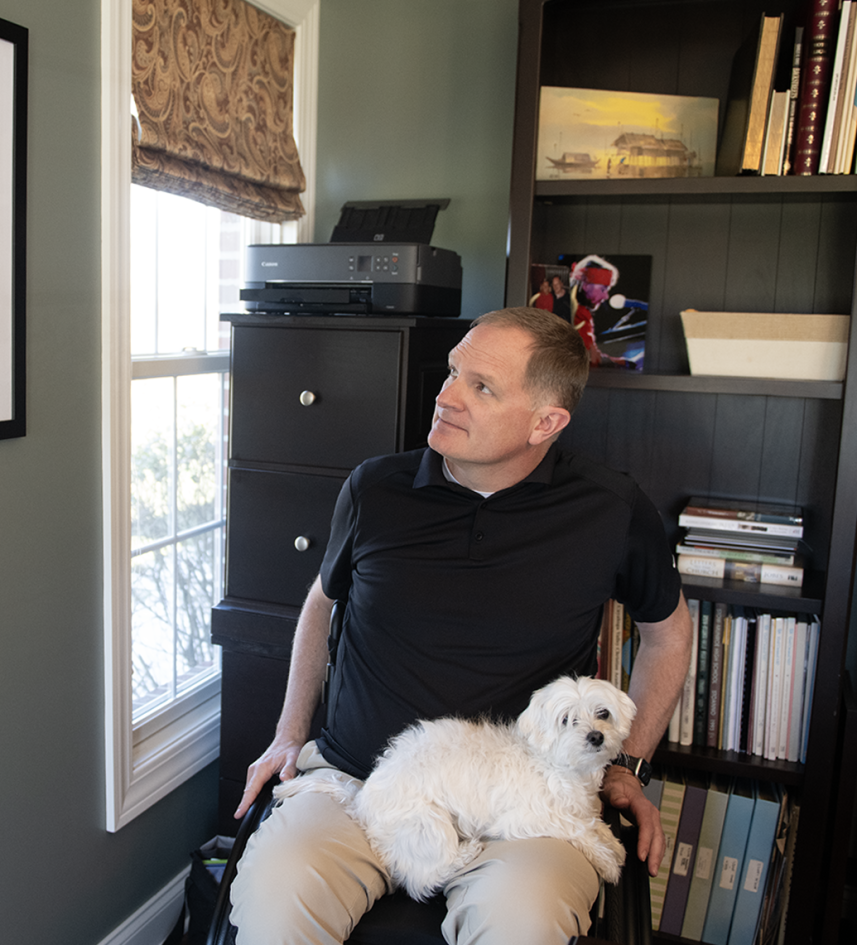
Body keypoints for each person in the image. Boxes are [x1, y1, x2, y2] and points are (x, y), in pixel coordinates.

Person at [228, 306, 694, 945]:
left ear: (545, 422)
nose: (446, 396)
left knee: (523, 923)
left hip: (531, 807)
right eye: (453, 373)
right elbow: (320, 603)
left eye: (482, 386)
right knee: (275, 905)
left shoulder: (609, 508)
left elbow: (667, 634)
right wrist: (289, 734)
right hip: (355, 786)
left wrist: (627, 765)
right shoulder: (376, 488)